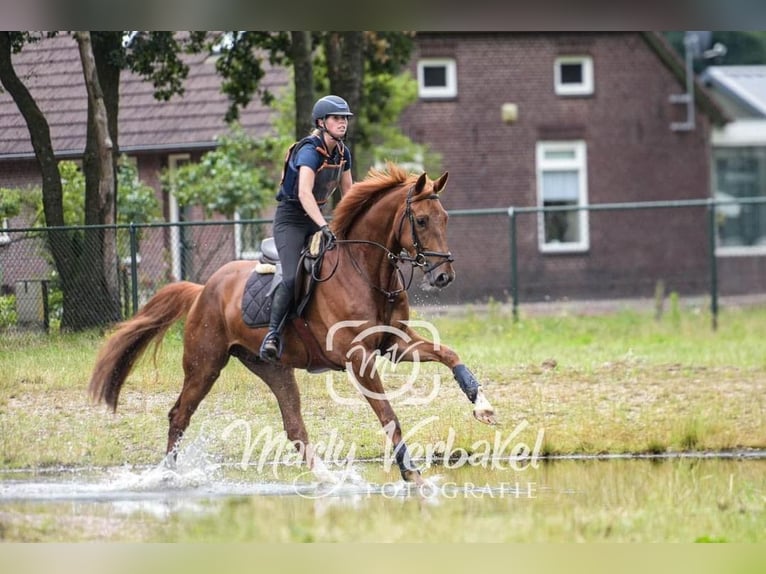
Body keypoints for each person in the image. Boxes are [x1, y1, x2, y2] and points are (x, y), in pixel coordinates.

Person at [259, 94, 354, 362]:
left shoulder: (343, 152)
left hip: (317, 219)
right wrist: (324, 225)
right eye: (337, 118)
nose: (343, 123)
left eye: (345, 118)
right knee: (291, 276)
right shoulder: (309, 151)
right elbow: (303, 193)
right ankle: (273, 334)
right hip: (291, 220)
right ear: (321, 122)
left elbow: (349, 194)